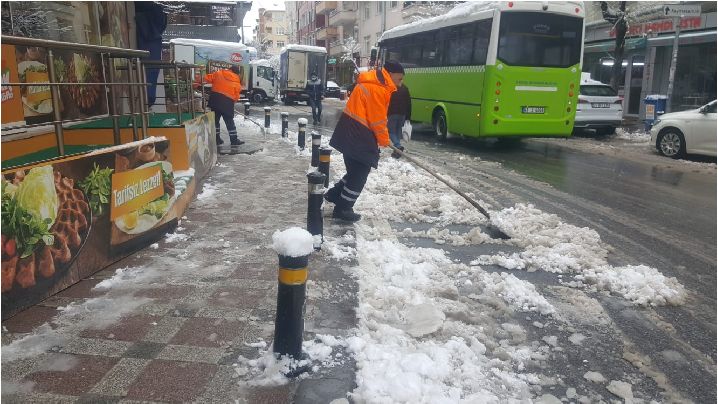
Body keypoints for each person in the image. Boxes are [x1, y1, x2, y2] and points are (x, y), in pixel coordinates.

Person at [324, 61, 404, 222]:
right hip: (358, 133)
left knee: (356, 170)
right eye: (400, 78)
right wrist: (384, 140)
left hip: (352, 130)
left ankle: (335, 194)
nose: (401, 82)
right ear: (392, 74)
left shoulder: (375, 83)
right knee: (360, 173)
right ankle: (343, 208)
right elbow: (378, 120)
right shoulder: (378, 88)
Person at [205, 65, 243, 146]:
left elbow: (207, 78)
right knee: (229, 121)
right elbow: (236, 96)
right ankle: (234, 140)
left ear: (230, 69)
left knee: (215, 121)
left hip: (215, 100)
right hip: (227, 103)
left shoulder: (219, 73)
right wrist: (232, 101)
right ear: (236, 73)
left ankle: (217, 139)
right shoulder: (237, 80)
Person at [387, 83, 411, 158]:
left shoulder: (391, 87)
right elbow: (409, 103)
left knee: (390, 131)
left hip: (392, 113)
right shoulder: (405, 88)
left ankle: (398, 146)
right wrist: (408, 116)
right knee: (397, 132)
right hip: (402, 114)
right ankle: (397, 151)